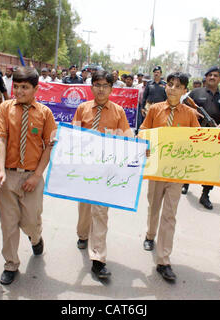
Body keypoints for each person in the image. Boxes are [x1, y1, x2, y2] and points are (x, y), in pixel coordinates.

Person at [0, 66, 57, 285]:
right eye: (16, 86)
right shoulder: (4, 108)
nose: (18, 91)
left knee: (30, 221)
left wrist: (37, 176)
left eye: (24, 88)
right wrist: (0, 170)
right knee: (8, 223)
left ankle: (35, 238)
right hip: (8, 175)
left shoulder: (45, 113)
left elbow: (49, 146)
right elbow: (0, 138)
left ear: (36, 88)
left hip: (32, 177)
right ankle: (11, 263)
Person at [139, 72, 201, 282]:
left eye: (178, 86)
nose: (173, 89)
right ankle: (149, 235)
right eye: (170, 85)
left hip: (176, 171)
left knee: (170, 214)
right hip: (156, 168)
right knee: (154, 206)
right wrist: (144, 142)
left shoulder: (190, 114)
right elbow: (143, 130)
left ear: (185, 91)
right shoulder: (155, 110)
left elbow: (198, 139)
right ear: (166, 87)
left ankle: (164, 260)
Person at [72, 70, 132, 279]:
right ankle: (82, 234)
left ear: (111, 89)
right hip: (85, 169)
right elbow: (74, 136)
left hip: (106, 171)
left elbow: (127, 137)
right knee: (85, 209)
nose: (101, 89)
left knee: (100, 213)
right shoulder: (82, 109)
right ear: (91, 87)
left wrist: (136, 148)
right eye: (97, 84)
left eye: (105, 85)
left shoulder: (118, 112)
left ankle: (98, 258)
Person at [181, 66, 220, 210]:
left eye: (215, 75)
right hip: (196, 132)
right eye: (210, 75)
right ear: (206, 77)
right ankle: (185, 183)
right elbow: (183, 106)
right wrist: (192, 113)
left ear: (219, 79)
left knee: (212, 166)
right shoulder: (196, 93)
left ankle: (205, 194)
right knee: (190, 159)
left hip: (214, 135)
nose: (212, 77)